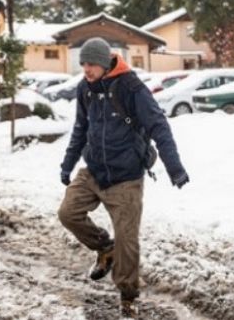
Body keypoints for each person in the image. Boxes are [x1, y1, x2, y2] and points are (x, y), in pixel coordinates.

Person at [58, 37, 189, 318]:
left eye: (92, 64)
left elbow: (158, 126)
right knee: (68, 213)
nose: (86, 69)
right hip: (94, 170)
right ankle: (105, 248)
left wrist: (175, 167)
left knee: (127, 242)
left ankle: (128, 297)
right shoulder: (85, 88)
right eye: (83, 63)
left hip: (126, 177)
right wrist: (67, 165)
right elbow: (80, 128)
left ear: (105, 63)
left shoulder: (131, 87)